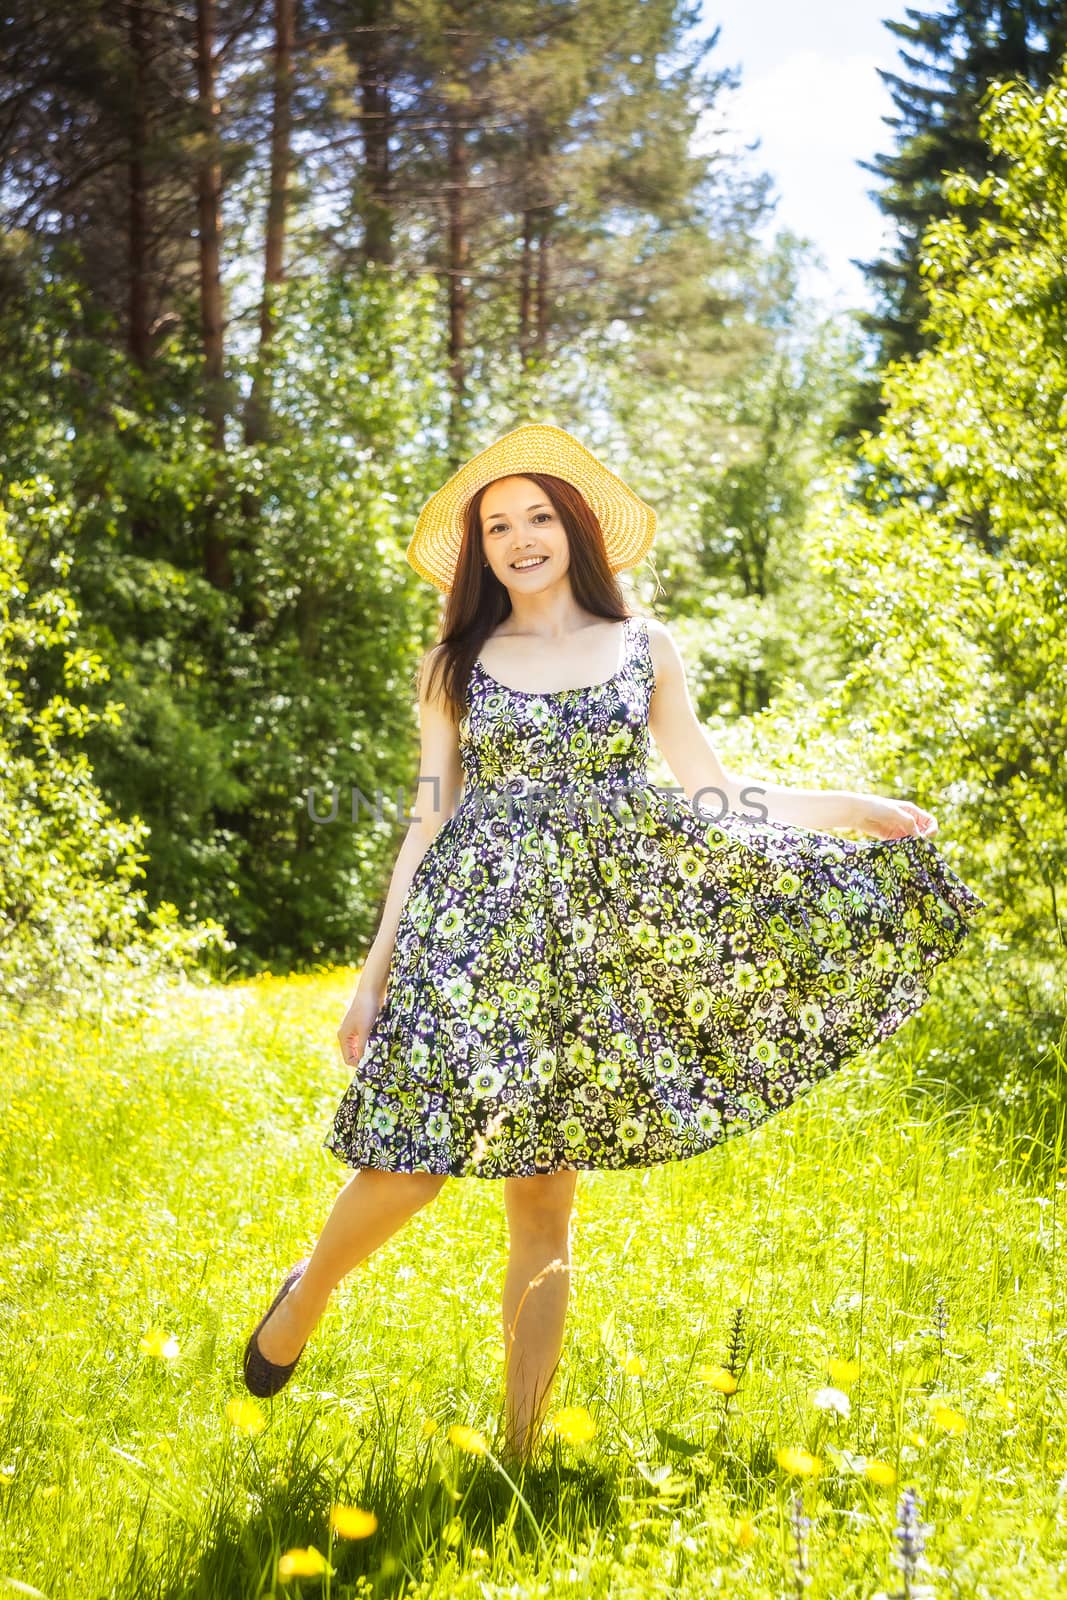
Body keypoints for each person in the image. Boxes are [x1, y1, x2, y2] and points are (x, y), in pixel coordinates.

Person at [243, 422, 986, 1465]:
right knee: (409, 1160)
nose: (518, 538)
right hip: (470, 932)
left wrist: (851, 809)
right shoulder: (452, 663)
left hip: (588, 952)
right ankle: (306, 1292)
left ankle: (521, 1453)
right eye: (496, 525)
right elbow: (424, 820)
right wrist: (372, 981)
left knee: (541, 1205)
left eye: (537, 516)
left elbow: (716, 795)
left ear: (575, 527)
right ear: (478, 550)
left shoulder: (645, 648)